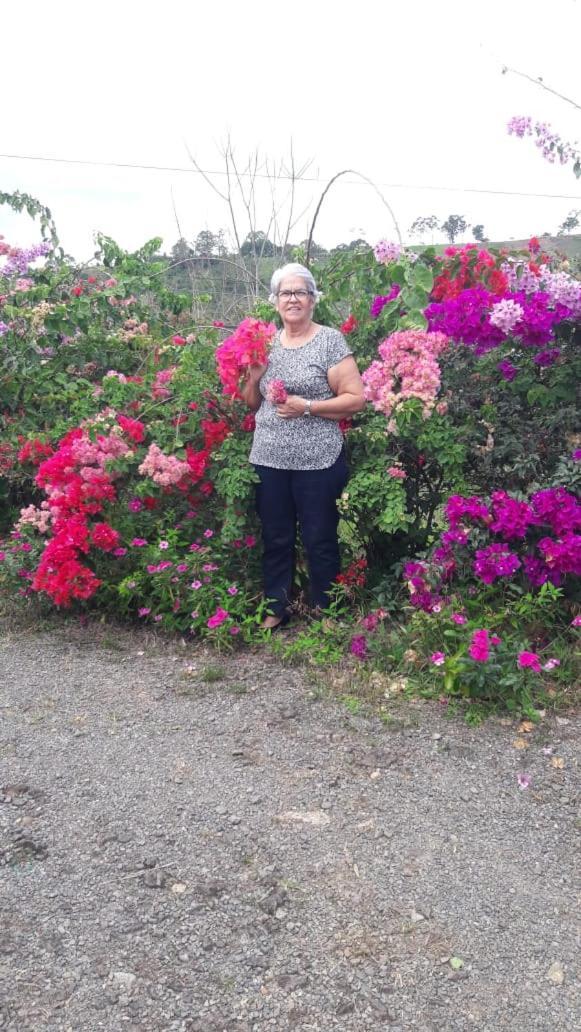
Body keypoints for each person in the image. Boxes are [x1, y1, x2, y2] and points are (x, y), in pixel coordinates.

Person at [241, 263, 365, 630]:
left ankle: (328, 612)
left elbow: (355, 399)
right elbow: (252, 402)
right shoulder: (265, 343)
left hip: (319, 461)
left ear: (312, 300)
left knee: (319, 537)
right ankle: (276, 607)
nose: (292, 299)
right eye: (285, 293)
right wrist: (254, 377)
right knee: (275, 536)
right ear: (275, 302)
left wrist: (307, 406)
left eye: (300, 292)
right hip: (269, 458)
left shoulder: (329, 341)